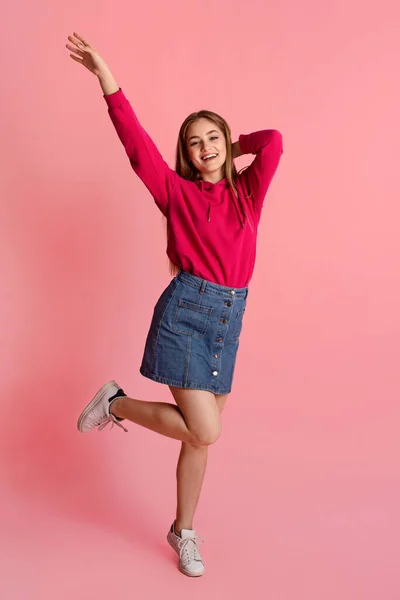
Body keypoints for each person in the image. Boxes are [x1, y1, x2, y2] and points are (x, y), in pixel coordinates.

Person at [66, 31, 283, 578]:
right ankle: (115, 404)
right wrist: (106, 79)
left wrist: (237, 145)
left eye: (214, 138)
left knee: (195, 437)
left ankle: (183, 531)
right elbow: (136, 143)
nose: (206, 147)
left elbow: (275, 140)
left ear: (227, 144)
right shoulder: (175, 193)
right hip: (186, 313)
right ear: (185, 155)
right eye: (195, 142)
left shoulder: (247, 193)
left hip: (229, 320)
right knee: (205, 429)